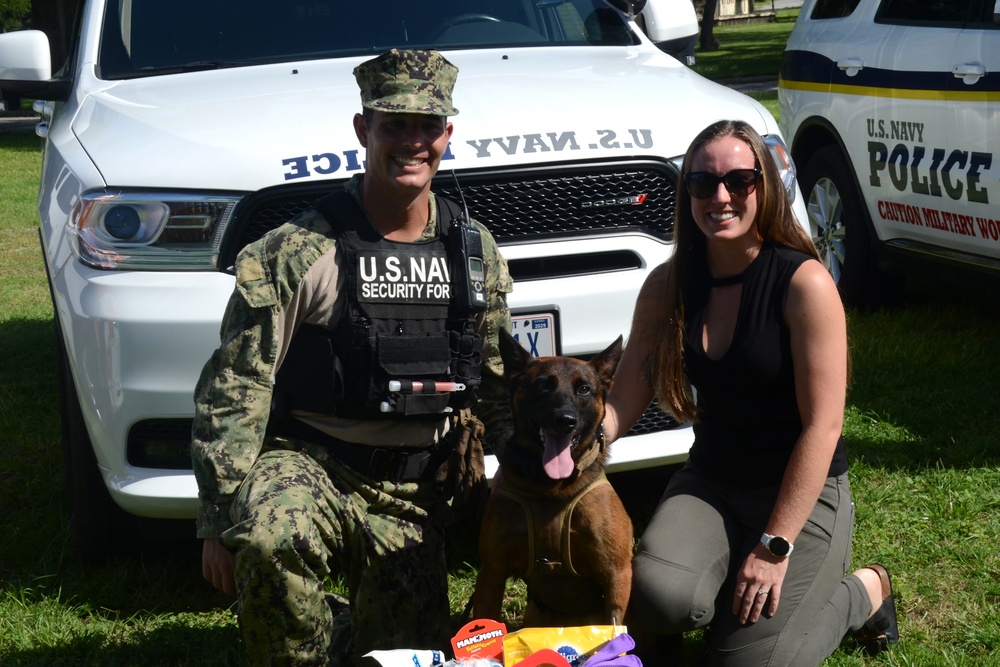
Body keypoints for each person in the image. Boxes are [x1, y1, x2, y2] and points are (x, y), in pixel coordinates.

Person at [191, 49, 513, 666]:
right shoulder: (297, 251)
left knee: (399, 653)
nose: (412, 141)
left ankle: (335, 627)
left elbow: (498, 381)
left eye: (428, 126)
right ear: (363, 129)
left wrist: (531, 485)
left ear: (448, 133)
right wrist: (216, 517)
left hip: (414, 486)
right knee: (269, 539)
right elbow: (237, 383)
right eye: (394, 124)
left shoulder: (474, 253)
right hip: (313, 461)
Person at [603, 119, 899, 665]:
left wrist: (774, 545)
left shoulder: (803, 283)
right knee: (655, 596)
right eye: (701, 183)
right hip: (713, 480)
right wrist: (583, 445)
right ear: (685, 191)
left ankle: (863, 591)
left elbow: (823, 426)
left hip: (801, 495)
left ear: (763, 186)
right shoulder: (668, 284)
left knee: (745, 663)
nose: (720, 196)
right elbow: (626, 396)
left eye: (739, 181)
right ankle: (729, 578)